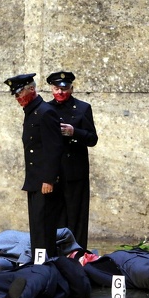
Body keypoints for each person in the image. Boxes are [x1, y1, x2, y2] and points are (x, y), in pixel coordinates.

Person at [4, 73, 64, 259]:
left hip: (44, 182)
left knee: (44, 226)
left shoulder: (45, 112)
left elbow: (53, 148)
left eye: (19, 93)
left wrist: (49, 179)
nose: (17, 98)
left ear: (31, 89)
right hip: (35, 180)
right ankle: (39, 263)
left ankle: (46, 264)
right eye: (15, 94)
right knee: (37, 226)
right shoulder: (32, 112)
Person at [46, 71, 98, 250]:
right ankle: (55, 254)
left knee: (77, 216)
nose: (60, 93)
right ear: (51, 89)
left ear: (71, 89)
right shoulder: (46, 109)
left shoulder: (83, 108)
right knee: (55, 216)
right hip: (54, 172)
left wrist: (74, 132)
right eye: (56, 89)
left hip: (76, 172)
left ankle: (77, 254)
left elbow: (92, 139)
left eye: (64, 89)